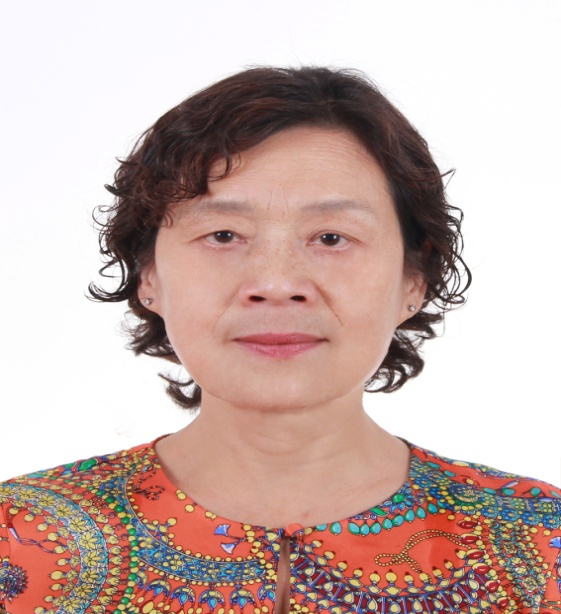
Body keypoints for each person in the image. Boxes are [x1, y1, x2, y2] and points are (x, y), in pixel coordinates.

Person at [1, 66, 560, 614]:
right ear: (148, 275)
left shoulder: (541, 543)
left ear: (413, 279)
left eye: (331, 238)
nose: (275, 283)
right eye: (223, 234)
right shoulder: (18, 537)